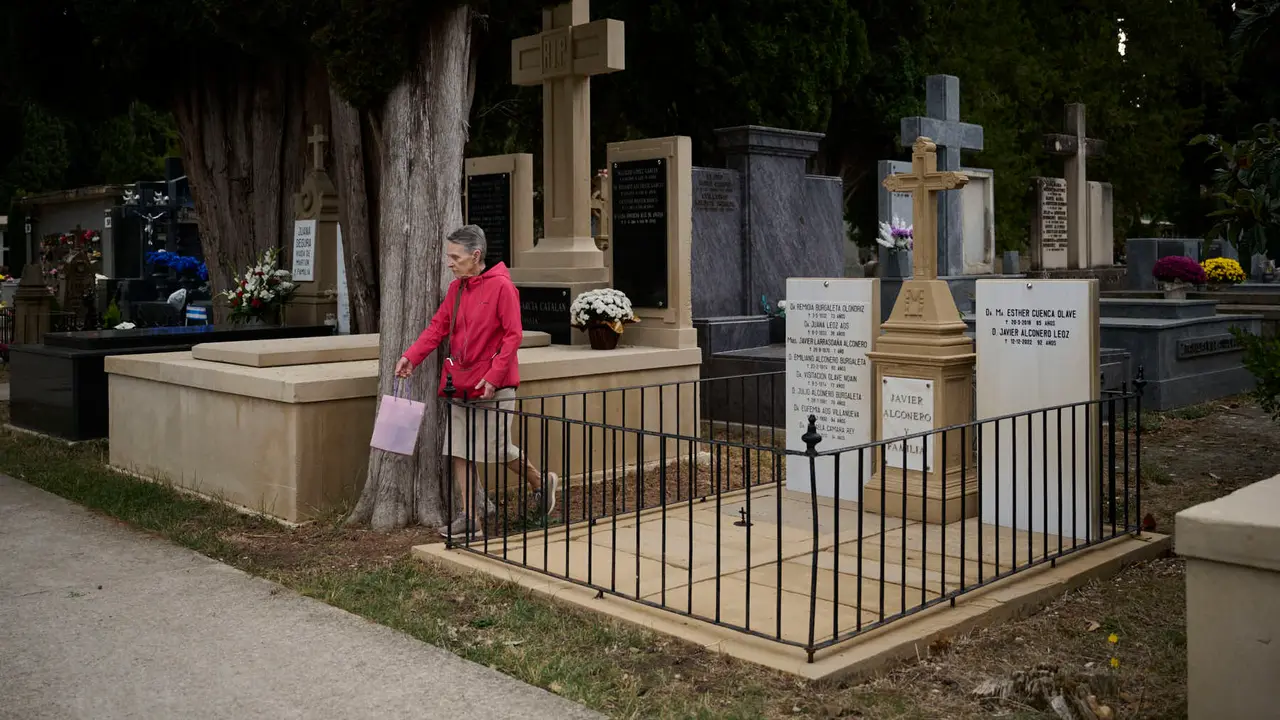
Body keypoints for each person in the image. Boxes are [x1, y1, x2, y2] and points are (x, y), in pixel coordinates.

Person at [395, 225, 559, 541]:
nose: (450, 263)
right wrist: (411, 357)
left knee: (497, 449)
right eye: (449, 256)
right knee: (459, 449)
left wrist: (494, 378)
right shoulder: (456, 291)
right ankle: (470, 520)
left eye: (455, 257)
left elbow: (513, 336)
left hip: (495, 386)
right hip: (460, 383)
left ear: (476, 256)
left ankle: (540, 482)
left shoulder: (502, 288)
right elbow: (436, 329)